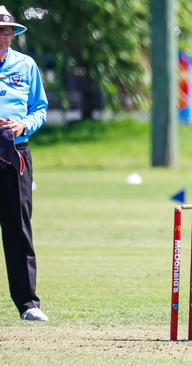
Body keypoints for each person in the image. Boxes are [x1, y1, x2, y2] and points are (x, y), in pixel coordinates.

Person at [0, 5, 49, 321]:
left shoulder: (25, 65)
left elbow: (40, 109)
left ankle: (28, 305)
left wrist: (23, 125)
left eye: (7, 32)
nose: (4, 38)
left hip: (14, 152)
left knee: (18, 228)